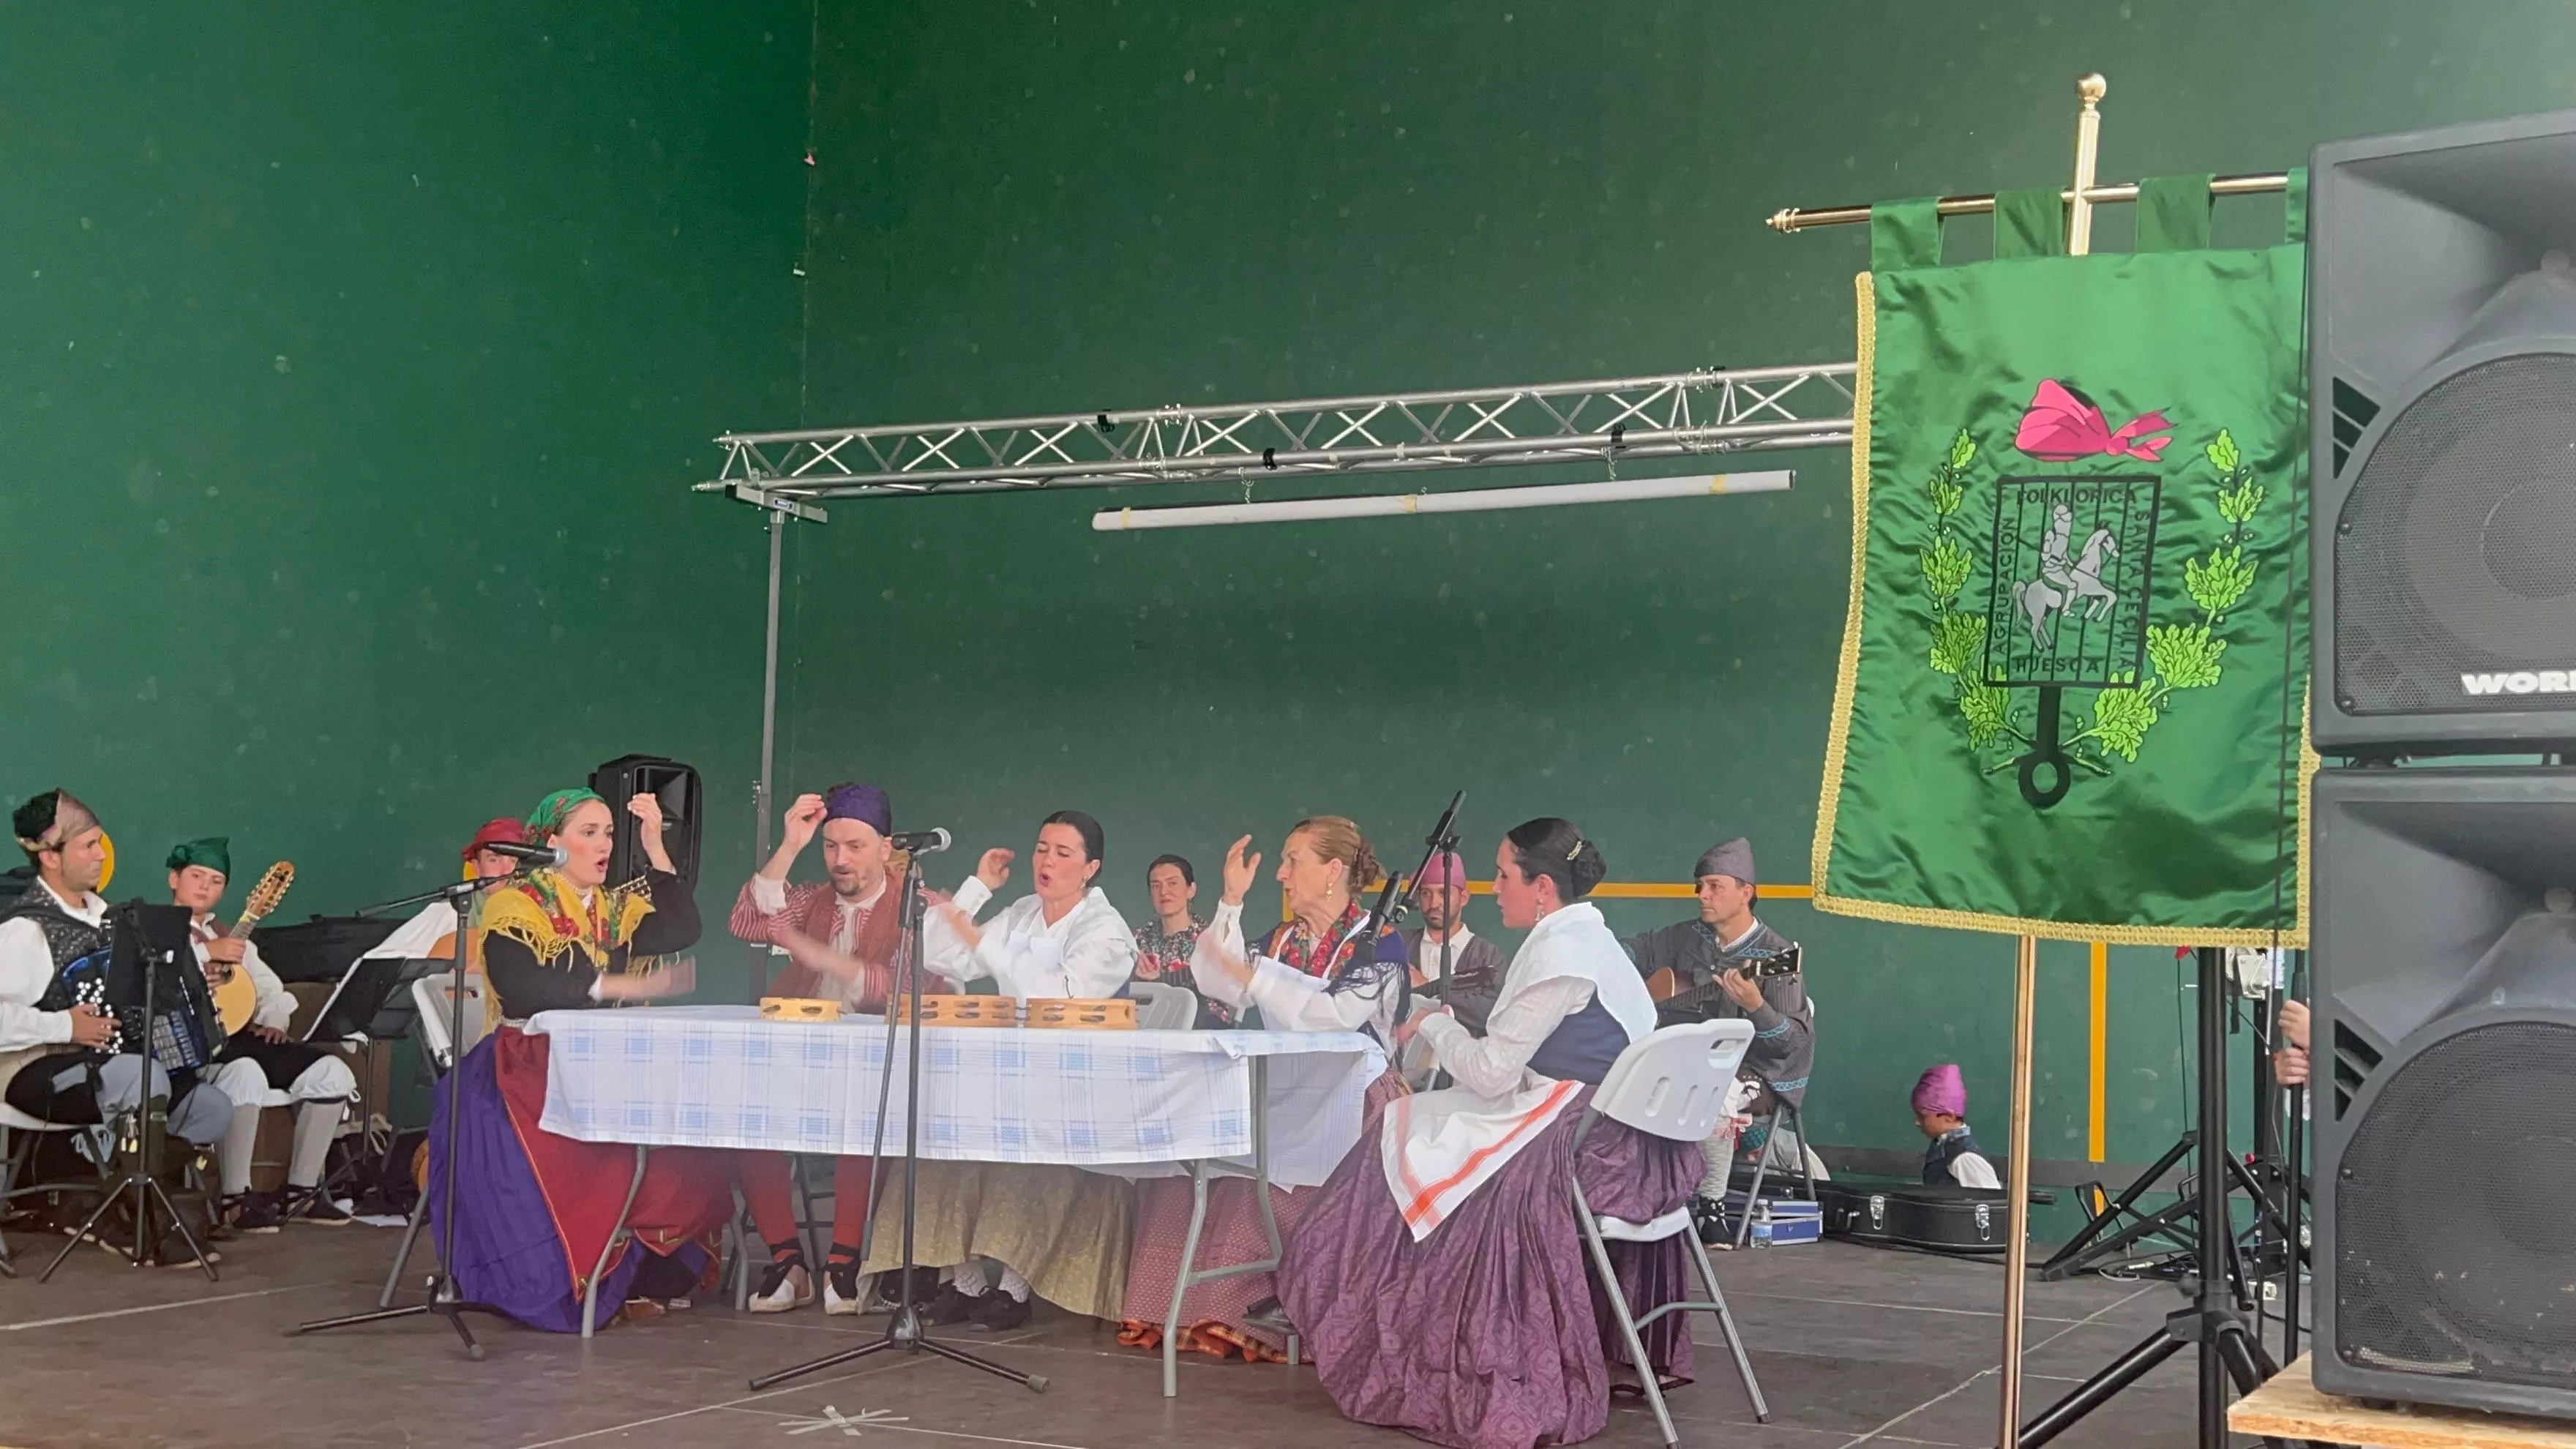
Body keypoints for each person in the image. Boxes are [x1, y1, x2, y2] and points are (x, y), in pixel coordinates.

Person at [1278, 818, 1690, 1449]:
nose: (1493, 887)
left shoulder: (1561, 956)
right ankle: (1351, 1306)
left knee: (1398, 1130)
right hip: (1626, 1136)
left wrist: (1435, 1022)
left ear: (1543, 887)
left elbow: (1494, 1075)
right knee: (1418, 1126)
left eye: (1503, 875)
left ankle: (1364, 1316)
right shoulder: (1595, 942)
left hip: (1581, 1139)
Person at [427, 787, 732, 1330]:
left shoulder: (613, 908)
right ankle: (580, 1287)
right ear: (551, 844)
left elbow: (684, 928)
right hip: (523, 1072)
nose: (604, 845)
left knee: (686, 1164)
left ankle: (635, 1282)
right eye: (589, 833)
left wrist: (655, 846)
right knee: (588, 1170)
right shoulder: (515, 905)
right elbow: (525, 988)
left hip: (601, 1066)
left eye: (609, 833)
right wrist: (622, 985)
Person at [1115, 818, 1412, 1363]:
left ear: (1332, 871)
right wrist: (1230, 901)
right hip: (1282, 1090)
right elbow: (1219, 982)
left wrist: (1256, 979)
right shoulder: (1282, 939)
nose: (1280, 872)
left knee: (1280, 1187)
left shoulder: (1377, 942)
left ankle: (1305, 1314)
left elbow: (1336, 1018)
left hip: (1355, 1095)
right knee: (1189, 1171)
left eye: (1293, 859)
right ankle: (1205, 1310)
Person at [859, 810, 1139, 1330]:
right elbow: (944, 956)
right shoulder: (1023, 912)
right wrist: (977, 890)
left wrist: (985, 943)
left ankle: (1014, 1286)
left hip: (1075, 1086)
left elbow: (1054, 996)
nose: (1046, 861)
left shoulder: (1107, 932)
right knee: (937, 1137)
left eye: (1062, 853)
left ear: (1090, 868)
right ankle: (964, 1281)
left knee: (1024, 1153)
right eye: (1041, 848)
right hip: (1011, 1074)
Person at [0, 790, 234, 1262]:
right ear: (49, 856)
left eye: (100, 842)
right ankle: (149, 1222)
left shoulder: (110, 918)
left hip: (108, 1066)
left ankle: (121, 1202)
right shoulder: (26, 929)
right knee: (136, 1079)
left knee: (210, 1105)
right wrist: (64, 1026)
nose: (101, 854)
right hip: (34, 1068)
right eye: (87, 846)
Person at [725, 782, 905, 1315]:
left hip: (870, 1070)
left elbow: (915, 988)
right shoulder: (812, 898)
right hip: (798, 1060)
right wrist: (789, 846)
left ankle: (844, 1263)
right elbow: (745, 921)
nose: (841, 860)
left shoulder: (919, 907)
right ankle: (788, 1261)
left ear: (886, 848)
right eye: (831, 847)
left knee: (863, 1121)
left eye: (854, 847)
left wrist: (844, 970)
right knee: (744, 1116)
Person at [166, 838, 362, 1232]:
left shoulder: (234, 937)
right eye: (196, 876)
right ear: (174, 879)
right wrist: (207, 954)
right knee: (247, 1072)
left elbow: (271, 990)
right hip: (190, 1046)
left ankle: (302, 1191)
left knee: (332, 1073)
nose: (205, 886)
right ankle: (234, 1198)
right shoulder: (159, 933)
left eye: (216, 880)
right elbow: (155, 981)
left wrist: (274, 1021)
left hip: (241, 1038)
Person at [1621, 836, 1815, 1203]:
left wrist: (1757, 1005)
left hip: (1759, 1078)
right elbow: (1634, 949)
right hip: (1686, 1059)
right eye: (1701, 887)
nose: (1703, 895)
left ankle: (1710, 1204)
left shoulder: (1778, 955)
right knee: (1625, 1081)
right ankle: (1644, 1195)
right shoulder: (1685, 936)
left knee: (1713, 1090)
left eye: (1715, 887)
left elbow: (1790, 1044)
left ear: (1746, 893)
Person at [1398, 849, 1505, 1084]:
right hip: (1399, 1075)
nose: (1434, 903)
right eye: (1426, 893)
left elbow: (1488, 1013)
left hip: (1460, 1080)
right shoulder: (1398, 944)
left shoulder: (1488, 955)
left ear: (1464, 898)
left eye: (1443, 893)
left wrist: (1427, 988)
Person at [1912, 1064, 2000, 1189]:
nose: (1917, 1122)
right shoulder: (1942, 1146)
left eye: (1923, 1117)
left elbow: (1989, 1202)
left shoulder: (1965, 1158)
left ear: (1948, 1117)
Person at [1132, 853, 1200, 986]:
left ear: (1191, 890)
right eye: (1156, 886)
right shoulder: (1136, 942)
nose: (1163, 892)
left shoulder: (1211, 940)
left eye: (1172, 883)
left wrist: (1160, 981)